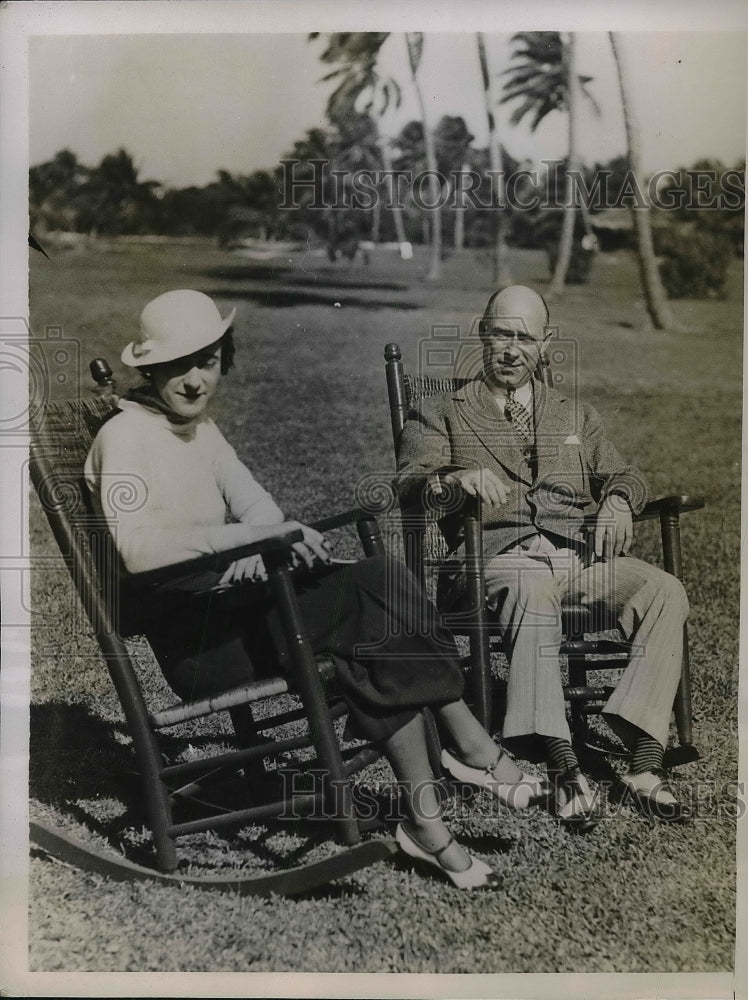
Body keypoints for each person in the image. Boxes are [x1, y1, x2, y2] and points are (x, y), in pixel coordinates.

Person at [84, 288, 550, 891]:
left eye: (207, 360)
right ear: (147, 368)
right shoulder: (124, 437)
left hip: (243, 610)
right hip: (200, 643)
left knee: (380, 615)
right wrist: (247, 541)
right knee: (375, 596)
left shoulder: (202, 433)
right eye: (177, 366)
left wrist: (260, 541)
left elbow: (257, 506)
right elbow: (138, 550)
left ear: (225, 359)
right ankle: (468, 747)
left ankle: (430, 820)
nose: (195, 379)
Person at [394, 284, 690, 830]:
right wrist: (452, 479)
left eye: (524, 338)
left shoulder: (574, 414)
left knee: (663, 589)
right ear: (482, 334)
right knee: (529, 585)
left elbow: (624, 473)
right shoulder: (442, 410)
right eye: (500, 334)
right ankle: (561, 762)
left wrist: (621, 500)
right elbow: (411, 482)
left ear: (545, 343)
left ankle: (644, 761)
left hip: (575, 561)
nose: (510, 349)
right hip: (491, 563)